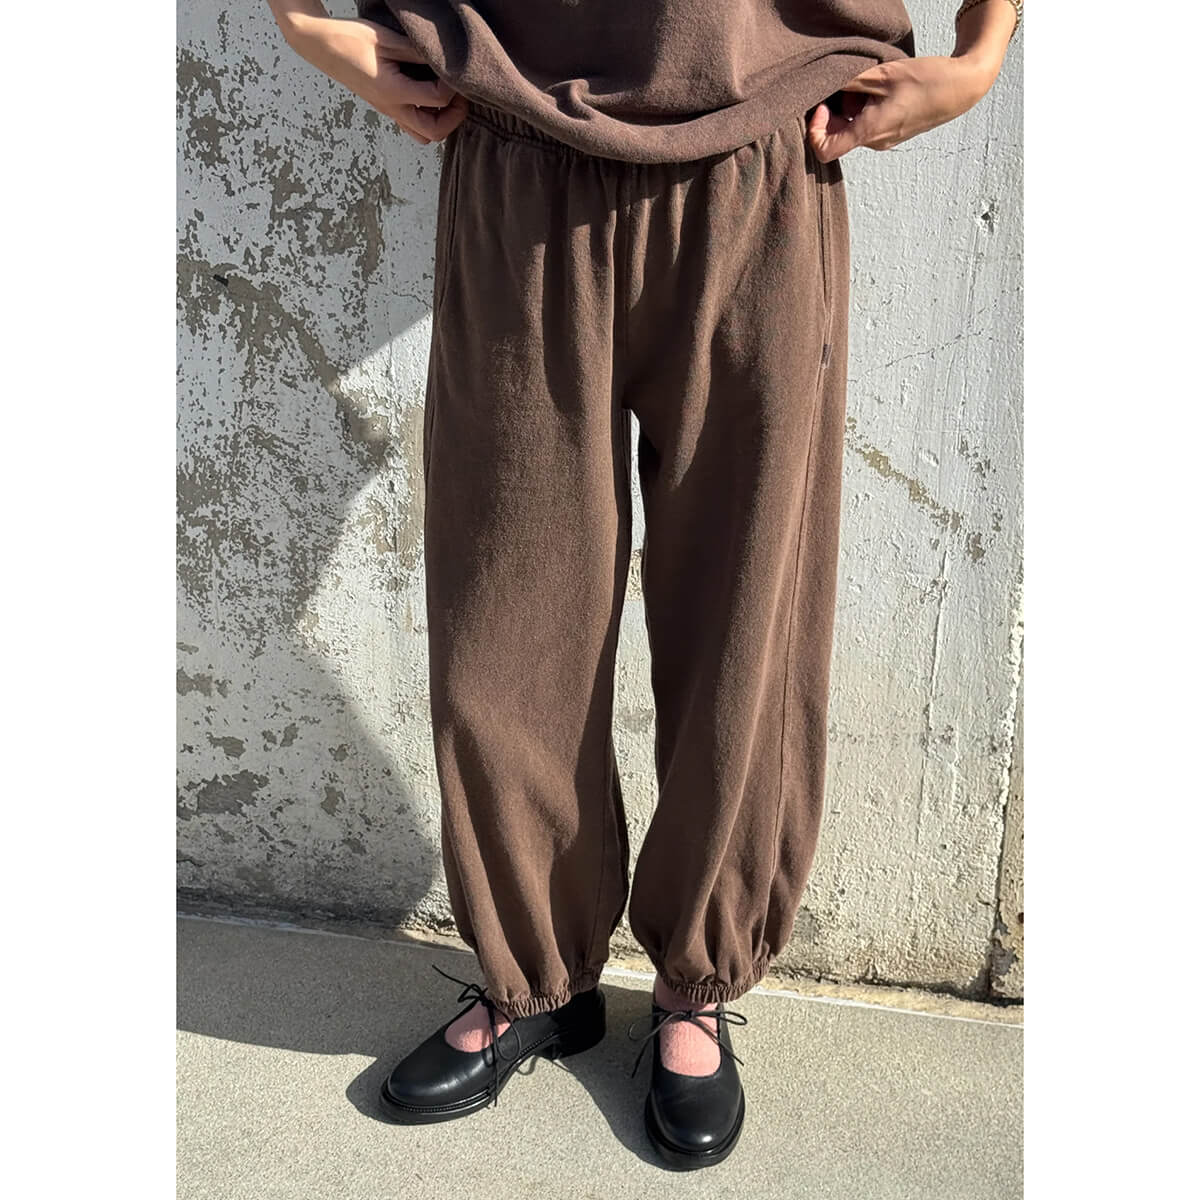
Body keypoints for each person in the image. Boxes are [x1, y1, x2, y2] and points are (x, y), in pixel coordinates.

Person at [265, 0, 1020, 1171]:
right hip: (517, 138)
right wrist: (299, 19)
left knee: (746, 614)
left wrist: (986, 50)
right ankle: (538, 978)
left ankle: (696, 983)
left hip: (766, 150)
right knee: (507, 618)